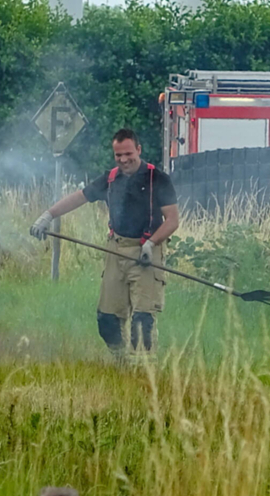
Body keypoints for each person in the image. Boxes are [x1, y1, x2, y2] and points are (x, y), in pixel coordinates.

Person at [30, 128, 179, 362]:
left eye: (128, 153)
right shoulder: (110, 179)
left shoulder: (157, 179)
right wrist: (48, 215)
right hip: (115, 249)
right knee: (107, 320)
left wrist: (151, 244)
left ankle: (143, 370)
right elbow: (79, 197)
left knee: (143, 320)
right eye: (118, 155)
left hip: (147, 252)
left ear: (138, 150)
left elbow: (172, 220)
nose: (123, 159)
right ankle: (121, 362)